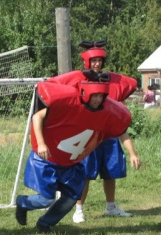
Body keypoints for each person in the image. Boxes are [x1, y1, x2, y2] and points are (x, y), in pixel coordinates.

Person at [15, 73, 140, 233]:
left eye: (101, 96)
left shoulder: (105, 113)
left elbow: (121, 131)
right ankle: (23, 203)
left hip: (71, 163)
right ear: (86, 94)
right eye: (95, 96)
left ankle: (45, 223)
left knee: (72, 197)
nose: (98, 100)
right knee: (45, 199)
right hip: (48, 159)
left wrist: (132, 153)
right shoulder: (67, 103)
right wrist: (41, 143)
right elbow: (37, 116)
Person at [51, 40, 140, 223]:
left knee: (111, 172)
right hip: (88, 136)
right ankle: (79, 209)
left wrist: (132, 153)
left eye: (100, 60)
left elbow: (129, 83)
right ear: (87, 61)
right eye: (93, 61)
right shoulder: (79, 81)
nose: (97, 64)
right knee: (85, 175)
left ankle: (111, 206)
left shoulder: (110, 82)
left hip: (108, 135)